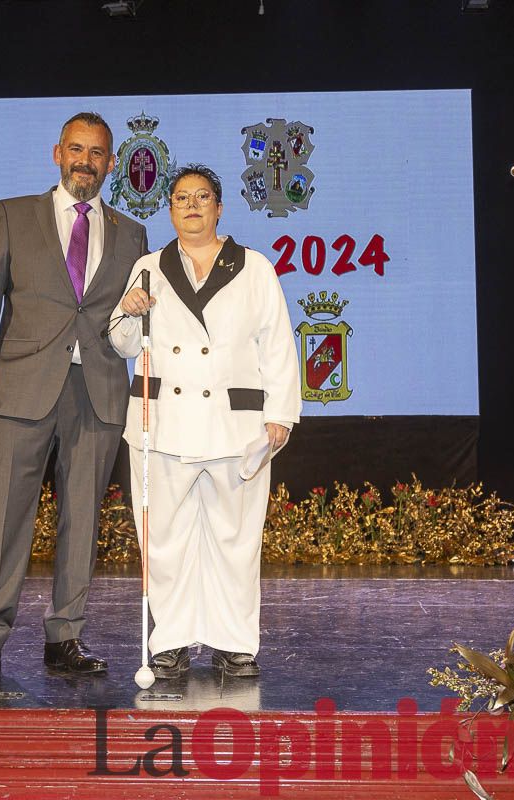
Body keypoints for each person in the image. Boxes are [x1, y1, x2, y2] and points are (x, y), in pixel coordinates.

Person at [0, 112, 148, 682]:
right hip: (21, 387)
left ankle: (66, 636)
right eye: (77, 150)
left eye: (98, 153)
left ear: (111, 164)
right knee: (7, 517)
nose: (86, 161)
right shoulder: (14, 215)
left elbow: (134, 316)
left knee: (83, 519)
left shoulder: (132, 233)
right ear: (57, 152)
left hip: (100, 389)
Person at [109, 164, 301, 678]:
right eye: (180, 198)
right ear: (169, 210)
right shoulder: (148, 266)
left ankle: (234, 642)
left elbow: (278, 344)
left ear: (219, 207)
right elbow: (122, 342)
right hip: (162, 422)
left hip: (233, 424)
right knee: (163, 539)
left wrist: (281, 413)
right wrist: (128, 310)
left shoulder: (255, 267)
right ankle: (170, 641)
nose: (191, 206)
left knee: (235, 538)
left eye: (202, 197)